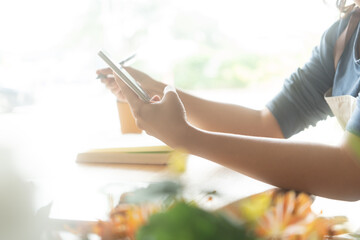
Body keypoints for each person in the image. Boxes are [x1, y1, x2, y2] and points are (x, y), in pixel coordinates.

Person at [97, 0, 360, 201]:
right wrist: (156, 88)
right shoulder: (344, 37)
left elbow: (350, 171)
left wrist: (187, 138)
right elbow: (266, 125)